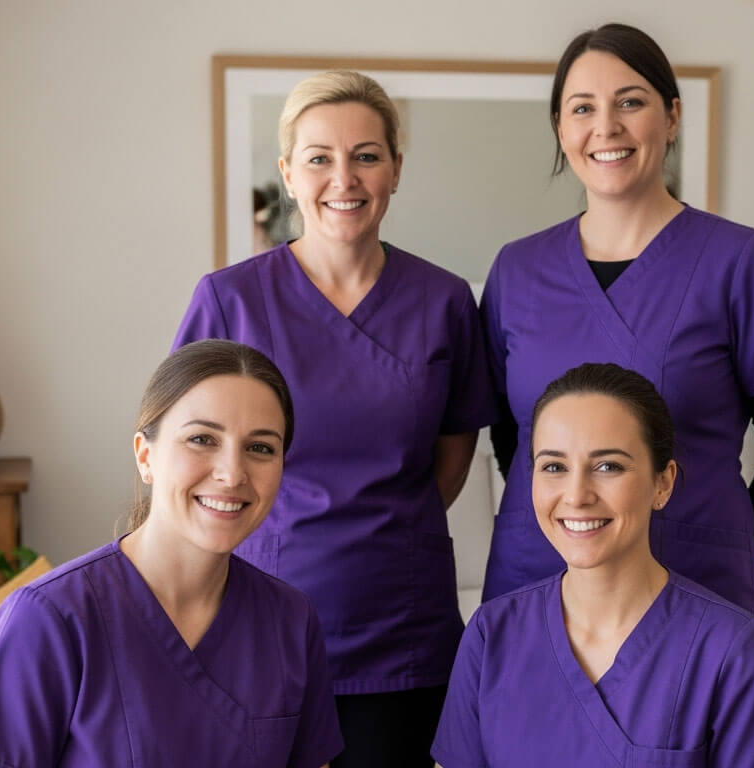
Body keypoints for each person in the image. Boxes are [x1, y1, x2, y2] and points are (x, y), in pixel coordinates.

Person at [173, 71, 496, 767]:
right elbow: (187, 457)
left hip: (401, 628)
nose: (343, 178)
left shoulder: (443, 303)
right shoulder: (231, 302)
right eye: (319, 157)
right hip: (256, 619)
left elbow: (451, 460)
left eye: (366, 155)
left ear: (396, 169)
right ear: (288, 173)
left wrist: (384, 529)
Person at [481, 23, 754, 612]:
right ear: (561, 129)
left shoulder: (741, 261)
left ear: (671, 117)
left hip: (689, 582)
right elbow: (513, 439)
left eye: (630, 102)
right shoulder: (517, 270)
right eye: (582, 107)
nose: (606, 127)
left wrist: (734, 553)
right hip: (532, 583)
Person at [0, 340, 343, 767]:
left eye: (260, 447)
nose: (231, 474)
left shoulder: (291, 621)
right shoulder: (48, 620)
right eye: (202, 439)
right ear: (145, 455)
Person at [433, 363, 754, 767]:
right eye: (554, 467)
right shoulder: (492, 634)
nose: (576, 495)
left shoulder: (731, 649)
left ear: (662, 483)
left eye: (608, 466)